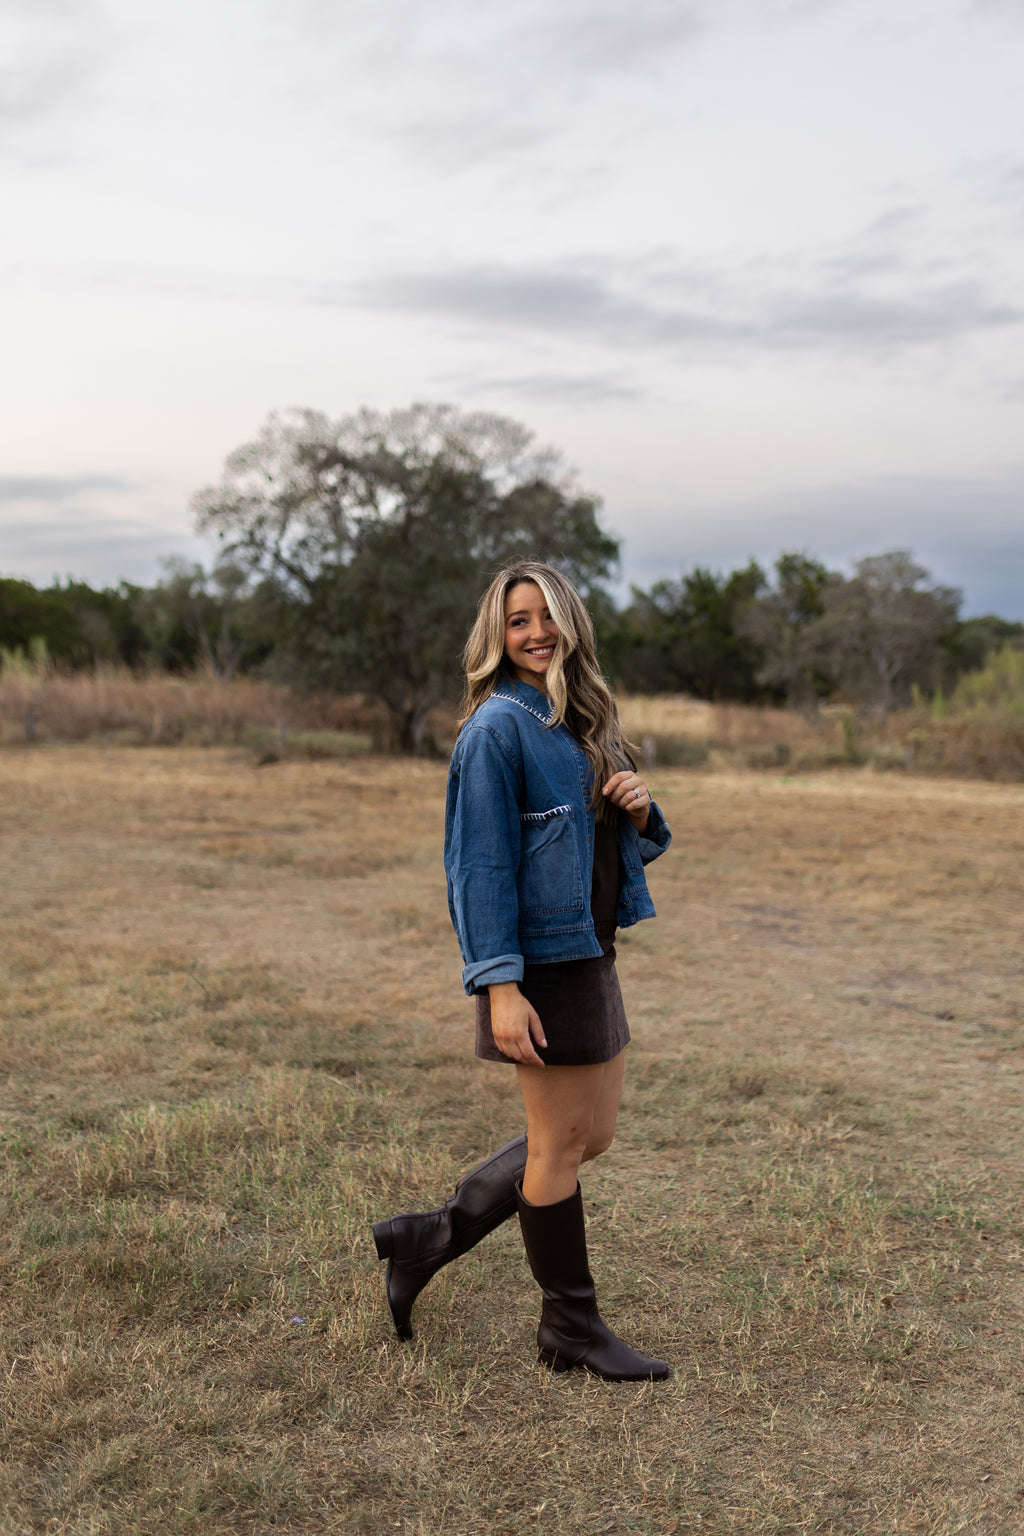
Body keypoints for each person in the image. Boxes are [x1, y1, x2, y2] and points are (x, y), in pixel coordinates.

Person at [371, 560, 672, 1380]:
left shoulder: (583, 719)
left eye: (546, 616)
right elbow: (479, 871)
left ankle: (429, 1238)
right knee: (560, 1146)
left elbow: (621, 839)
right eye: (517, 621)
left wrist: (642, 811)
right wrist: (500, 988)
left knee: (587, 1135)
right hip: (536, 963)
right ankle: (570, 1329)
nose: (535, 633)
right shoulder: (495, 730)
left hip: (591, 947)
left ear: (570, 622)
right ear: (496, 636)